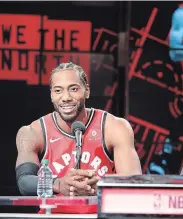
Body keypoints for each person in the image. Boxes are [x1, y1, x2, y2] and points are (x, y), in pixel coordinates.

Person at [15, 62, 142, 213]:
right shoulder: (32, 132)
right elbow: (24, 181)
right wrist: (58, 184)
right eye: (58, 90)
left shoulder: (114, 127)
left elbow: (134, 183)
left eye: (73, 89)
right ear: (51, 95)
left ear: (86, 91)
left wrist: (101, 185)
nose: (66, 97)